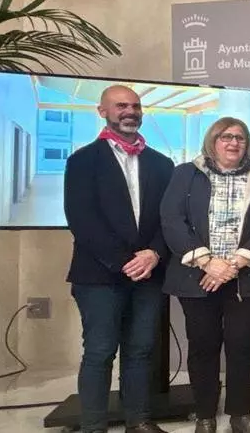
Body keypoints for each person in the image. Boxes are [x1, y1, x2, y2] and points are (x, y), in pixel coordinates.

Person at [64, 85, 176, 433]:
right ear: (103, 112)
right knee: (99, 352)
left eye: (136, 106)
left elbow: (170, 217)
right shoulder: (82, 161)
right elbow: (82, 219)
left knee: (141, 351)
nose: (130, 111)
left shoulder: (162, 163)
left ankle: (138, 421)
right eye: (121, 105)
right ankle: (93, 426)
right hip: (99, 276)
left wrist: (154, 253)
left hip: (149, 273)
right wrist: (126, 262)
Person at [160, 118, 250, 433]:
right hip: (198, 275)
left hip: (244, 277)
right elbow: (172, 219)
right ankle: (205, 415)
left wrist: (234, 264)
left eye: (240, 138)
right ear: (212, 141)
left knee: (243, 345)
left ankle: (241, 415)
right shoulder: (186, 174)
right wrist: (207, 262)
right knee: (203, 345)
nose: (233, 143)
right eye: (226, 137)